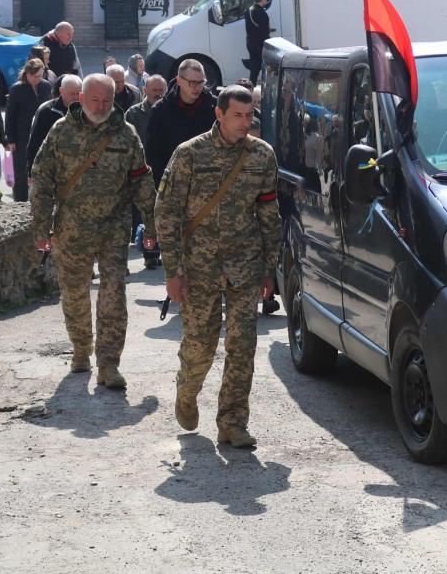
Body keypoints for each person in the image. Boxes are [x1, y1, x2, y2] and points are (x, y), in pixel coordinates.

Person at [156, 85, 281, 448]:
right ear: (220, 114)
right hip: (199, 269)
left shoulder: (262, 156)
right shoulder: (189, 154)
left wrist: (269, 268)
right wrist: (172, 271)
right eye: (238, 115)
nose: (246, 122)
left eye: (249, 115)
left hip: (246, 264)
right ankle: (187, 389)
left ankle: (232, 422)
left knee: (243, 347)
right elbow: (167, 214)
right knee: (200, 346)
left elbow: (268, 213)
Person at [30, 73, 157, 386]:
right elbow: (42, 180)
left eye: (107, 100)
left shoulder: (126, 135)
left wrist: (152, 225)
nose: (101, 107)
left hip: (113, 230)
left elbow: (142, 181)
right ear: (80, 99)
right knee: (74, 294)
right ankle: (81, 350)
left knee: (114, 296)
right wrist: (40, 228)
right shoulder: (60, 132)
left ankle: (109, 364)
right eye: (95, 100)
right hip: (71, 229)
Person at [144, 59, 218, 186]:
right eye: (192, 83)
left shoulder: (214, 107)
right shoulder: (161, 110)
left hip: (208, 183)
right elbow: (153, 155)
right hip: (174, 184)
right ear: (179, 80)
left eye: (201, 82)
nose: (198, 88)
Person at [125, 74, 168, 268]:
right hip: (141, 172)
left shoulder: (170, 112)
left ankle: (159, 252)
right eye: (154, 91)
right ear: (145, 91)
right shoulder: (133, 114)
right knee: (145, 213)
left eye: (161, 91)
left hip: (165, 170)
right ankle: (149, 254)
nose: (158, 95)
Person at [4, 59, 53, 201]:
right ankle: (20, 202)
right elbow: (10, 115)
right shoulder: (17, 88)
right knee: (20, 173)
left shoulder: (46, 86)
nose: (37, 80)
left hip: (41, 136)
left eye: (40, 76)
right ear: (27, 74)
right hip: (21, 137)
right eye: (34, 77)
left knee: (40, 171)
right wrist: (11, 140)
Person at [27, 74, 83, 172]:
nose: (75, 97)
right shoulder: (46, 111)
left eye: (78, 93)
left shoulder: (86, 111)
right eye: (72, 93)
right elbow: (34, 143)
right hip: (51, 169)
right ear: (61, 91)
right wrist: (31, 171)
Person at [244, 0, 271, 85]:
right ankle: (264, 90)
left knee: (254, 69)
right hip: (260, 45)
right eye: (265, 0)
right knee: (266, 69)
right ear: (263, 0)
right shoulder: (262, 13)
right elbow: (264, 32)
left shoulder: (248, 11)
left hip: (250, 43)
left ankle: (251, 89)